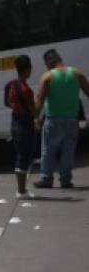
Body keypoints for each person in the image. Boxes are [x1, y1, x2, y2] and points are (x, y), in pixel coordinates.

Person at [33, 49, 89, 189]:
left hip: (53, 120)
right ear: (59, 59)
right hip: (72, 119)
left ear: (47, 63)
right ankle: (65, 180)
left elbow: (39, 100)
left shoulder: (47, 77)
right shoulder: (77, 74)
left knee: (48, 150)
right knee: (68, 151)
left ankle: (46, 179)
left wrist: (35, 119)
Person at [5, 55, 37, 199]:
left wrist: (16, 107)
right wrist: (38, 118)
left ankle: (22, 190)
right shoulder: (26, 90)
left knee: (20, 153)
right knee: (24, 156)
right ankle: (21, 191)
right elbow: (33, 109)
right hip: (25, 122)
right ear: (26, 70)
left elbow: (7, 103)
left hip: (15, 120)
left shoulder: (10, 85)